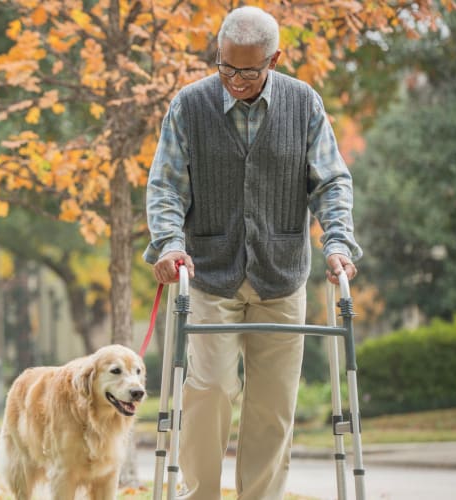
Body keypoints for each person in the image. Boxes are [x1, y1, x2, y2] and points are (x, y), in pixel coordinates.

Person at [143, 6, 361, 500]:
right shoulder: (190, 105)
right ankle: (199, 495)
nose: (233, 80)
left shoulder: (304, 103)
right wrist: (170, 244)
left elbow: (331, 181)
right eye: (224, 66)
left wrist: (339, 243)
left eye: (247, 70)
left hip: (281, 275)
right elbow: (166, 188)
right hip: (209, 274)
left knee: (272, 408)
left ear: (274, 59)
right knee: (211, 391)